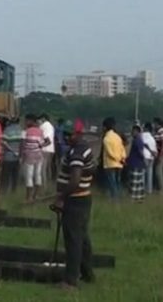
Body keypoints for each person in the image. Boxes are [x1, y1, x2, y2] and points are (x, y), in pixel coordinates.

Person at [51, 119, 97, 289]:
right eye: (65, 134)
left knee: (73, 240)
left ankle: (70, 281)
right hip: (83, 198)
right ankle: (87, 274)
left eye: (70, 135)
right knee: (82, 238)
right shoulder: (84, 149)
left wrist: (61, 198)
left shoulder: (77, 152)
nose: (67, 137)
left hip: (75, 200)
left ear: (79, 133)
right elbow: (91, 170)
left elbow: (75, 179)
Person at [20, 115, 45, 204]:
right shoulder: (40, 131)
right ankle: (36, 195)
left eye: (27, 121)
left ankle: (28, 197)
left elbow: (22, 145)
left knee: (29, 176)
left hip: (29, 156)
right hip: (39, 156)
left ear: (31, 121)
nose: (25, 123)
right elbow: (41, 144)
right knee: (38, 175)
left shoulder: (25, 131)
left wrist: (21, 156)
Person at [101, 119, 125, 199]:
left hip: (110, 164)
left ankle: (115, 200)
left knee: (112, 183)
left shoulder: (106, 139)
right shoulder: (118, 137)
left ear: (105, 127)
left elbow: (109, 153)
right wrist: (122, 159)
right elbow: (122, 149)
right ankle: (121, 198)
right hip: (119, 164)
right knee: (118, 182)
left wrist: (117, 159)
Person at [0, 118, 21, 194]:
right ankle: (13, 191)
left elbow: (3, 142)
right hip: (17, 157)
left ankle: (3, 191)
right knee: (14, 176)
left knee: (5, 176)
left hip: (8, 156)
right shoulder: (20, 130)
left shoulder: (7, 130)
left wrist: (11, 150)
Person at [126, 125, 147, 203]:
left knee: (134, 182)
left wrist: (144, 159)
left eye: (133, 131)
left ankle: (132, 198)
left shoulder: (137, 140)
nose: (132, 133)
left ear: (137, 131)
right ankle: (140, 198)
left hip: (136, 164)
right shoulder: (138, 140)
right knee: (139, 182)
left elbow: (140, 151)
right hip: (138, 164)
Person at [39, 114, 56, 186]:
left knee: (42, 169)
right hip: (51, 149)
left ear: (43, 118)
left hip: (44, 149)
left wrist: (39, 146)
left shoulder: (43, 126)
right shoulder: (51, 126)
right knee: (47, 168)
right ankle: (49, 185)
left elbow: (47, 139)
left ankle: (43, 185)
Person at [141, 123, 157, 194]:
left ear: (146, 128)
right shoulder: (152, 138)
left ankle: (142, 189)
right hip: (151, 157)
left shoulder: (142, 136)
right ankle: (149, 190)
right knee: (150, 174)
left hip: (144, 156)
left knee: (142, 174)